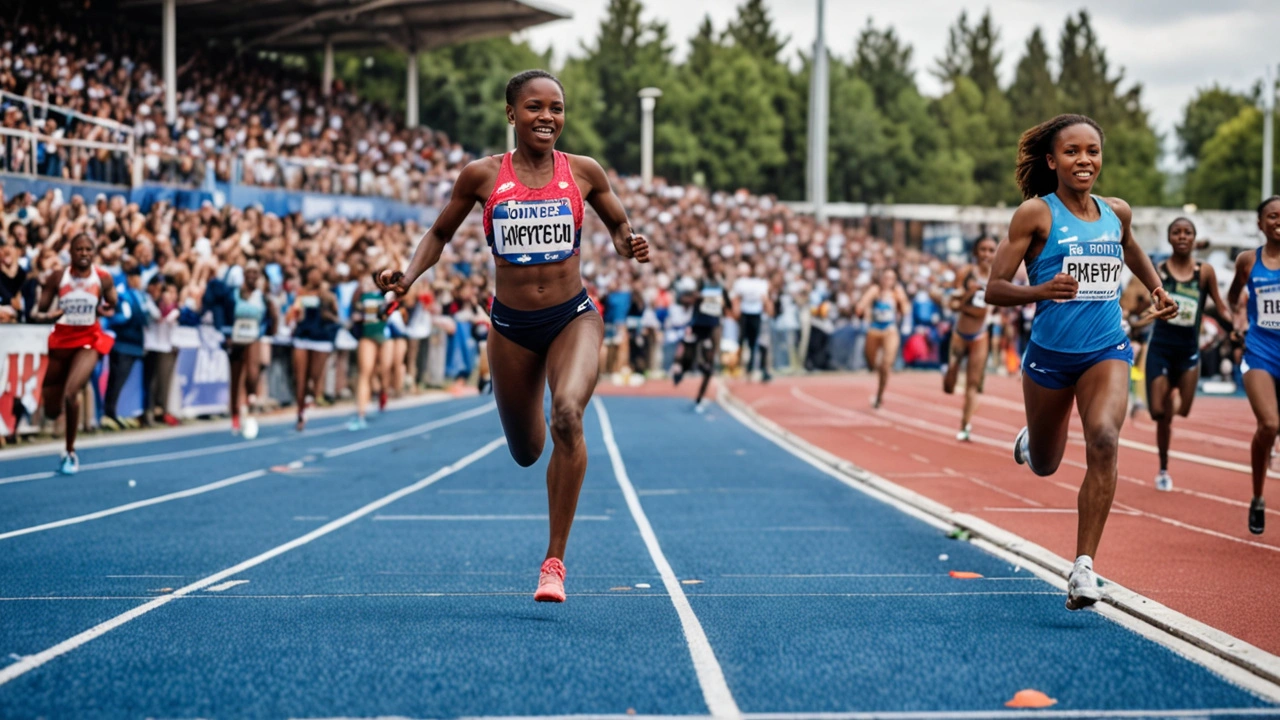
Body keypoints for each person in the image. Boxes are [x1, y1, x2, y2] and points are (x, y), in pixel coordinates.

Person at [377, 70, 650, 602]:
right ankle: (547, 452)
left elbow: (619, 226)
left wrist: (629, 242)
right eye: (534, 107)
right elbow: (438, 233)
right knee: (528, 451)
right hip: (510, 328)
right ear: (511, 115)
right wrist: (407, 277)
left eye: (556, 107)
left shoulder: (584, 172)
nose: (547, 116)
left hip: (573, 316)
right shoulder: (481, 177)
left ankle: (554, 562)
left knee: (568, 413)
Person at [985, 114, 1177, 610]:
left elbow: (1130, 248)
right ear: (1052, 161)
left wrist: (1157, 288)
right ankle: (1033, 438)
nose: (1084, 160)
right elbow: (994, 289)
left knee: (1106, 440)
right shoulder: (1035, 214)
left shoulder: (1117, 212)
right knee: (1046, 465)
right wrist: (1039, 290)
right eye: (1072, 152)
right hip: (1050, 356)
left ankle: (1083, 567)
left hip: (1106, 349)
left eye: (1092, 150)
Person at [1143, 218, 1231, 491]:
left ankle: (1169, 391)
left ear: (1194, 239)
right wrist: (1147, 315)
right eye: (1176, 232)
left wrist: (1236, 328)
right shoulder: (1159, 272)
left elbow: (1219, 306)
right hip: (1161, 349)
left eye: (1187, 233)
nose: (1182, 237)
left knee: (1184, 410)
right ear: (1169, 238)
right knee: (1159, 413)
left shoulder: (1203, 273)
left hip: (1189, 352)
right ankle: (1163, 468)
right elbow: (1146, 307)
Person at [32, 233, 118, 474]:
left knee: (72, 393)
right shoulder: (58, 277)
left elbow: (113, 304)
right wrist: (48, 315)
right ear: (70, 253)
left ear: (93, 252)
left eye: (88, 249)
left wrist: (106, 310)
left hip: (88, 339)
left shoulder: (103, 278)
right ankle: (55, 415)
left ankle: (70, 452)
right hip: (61, 340)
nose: (83, 253)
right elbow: (38, 312)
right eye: (79, 249)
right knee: (51, 408)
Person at [1227, 195, 1280, 535]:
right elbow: (1233, 296)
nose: (1279, 221)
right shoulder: (1249, 261)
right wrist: (1237, 319)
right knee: (1270, 425)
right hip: (1260, 350)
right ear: (1260, 224)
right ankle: (1258, 496)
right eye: (1272, 216)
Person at [943, 235, 998, 441]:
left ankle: (965, 425)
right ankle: (950, 371)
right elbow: (951, 303)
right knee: (949, 386)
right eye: (982, 249)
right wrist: (968, 294)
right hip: (960, 335)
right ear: (975, 252)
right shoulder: (966, 273)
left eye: (991, 250)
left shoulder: (998, 275)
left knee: (973, 384)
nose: (986, 254)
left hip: (980, 335)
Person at [672, 253, 730, 413]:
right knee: (689, 360)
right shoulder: (700, 282)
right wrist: (696, 298)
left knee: (709, 366)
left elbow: (728, 304)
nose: (716, 267)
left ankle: (699, 398)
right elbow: (682, 299)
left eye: (718, 263)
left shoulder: (721, 283)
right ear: (706, 267)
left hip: (713, 327)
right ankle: (682, 370)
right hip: (698, 325)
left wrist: (725, 305)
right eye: (712, 264)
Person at [227, 261, 277, 438]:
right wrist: (227, 334)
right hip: (236, 338)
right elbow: (227, 314)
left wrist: (273, 319)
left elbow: (271, 320)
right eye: (249, 271)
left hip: (254, 337)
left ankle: (250, 399)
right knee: (235, 375)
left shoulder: (263, 296)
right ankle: (234, 414)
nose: (252, 275)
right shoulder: (234, 294)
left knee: (252, 373)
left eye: (256, 272)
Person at [288, 267, 339, 431]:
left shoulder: (328, 295)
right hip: (303, 337)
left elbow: (337, 316)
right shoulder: (301, 293)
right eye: (311, 274)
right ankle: (300, 412)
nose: (314, 277)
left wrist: (328, 312)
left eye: (317, 274)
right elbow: (292, 314)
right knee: (300, 378)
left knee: (314, 377)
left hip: (321, 339)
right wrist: (295, 315)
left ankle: (309, 399)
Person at [856, 267, 909, 409]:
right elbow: (862, 303)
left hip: (889, 330)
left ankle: (879, 395)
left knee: (886, 365)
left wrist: (901, 300)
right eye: (885, 277)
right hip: (874, 331)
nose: (888, 281)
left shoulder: (897, 292)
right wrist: (861, 308)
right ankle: (876, 369)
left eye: (891, 278)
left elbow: (906, 310)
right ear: (880, 278)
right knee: (873, 365)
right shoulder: (875, 290)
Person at [349, 268, 392, 431]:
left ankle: (382, 391)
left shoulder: (387, 295)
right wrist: (356, 317)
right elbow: (355, 313)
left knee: (383, 371)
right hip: (368, 337)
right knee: (365, 373)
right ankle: (361, 413)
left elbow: (395, 309)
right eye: (364, 282)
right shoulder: (362, 298)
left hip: (385, 336)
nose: (366, 284)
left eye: (369, 281)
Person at [732, 261, 773, 382]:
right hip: (746, 314)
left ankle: (761, 369)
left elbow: (766, 300)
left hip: (758, 314)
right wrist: (736, 314)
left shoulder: (763, 283)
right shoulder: (742, 283)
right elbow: (737, 299)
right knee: (745, 342)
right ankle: (742, 368)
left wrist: (768, 312)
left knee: (760, 343)